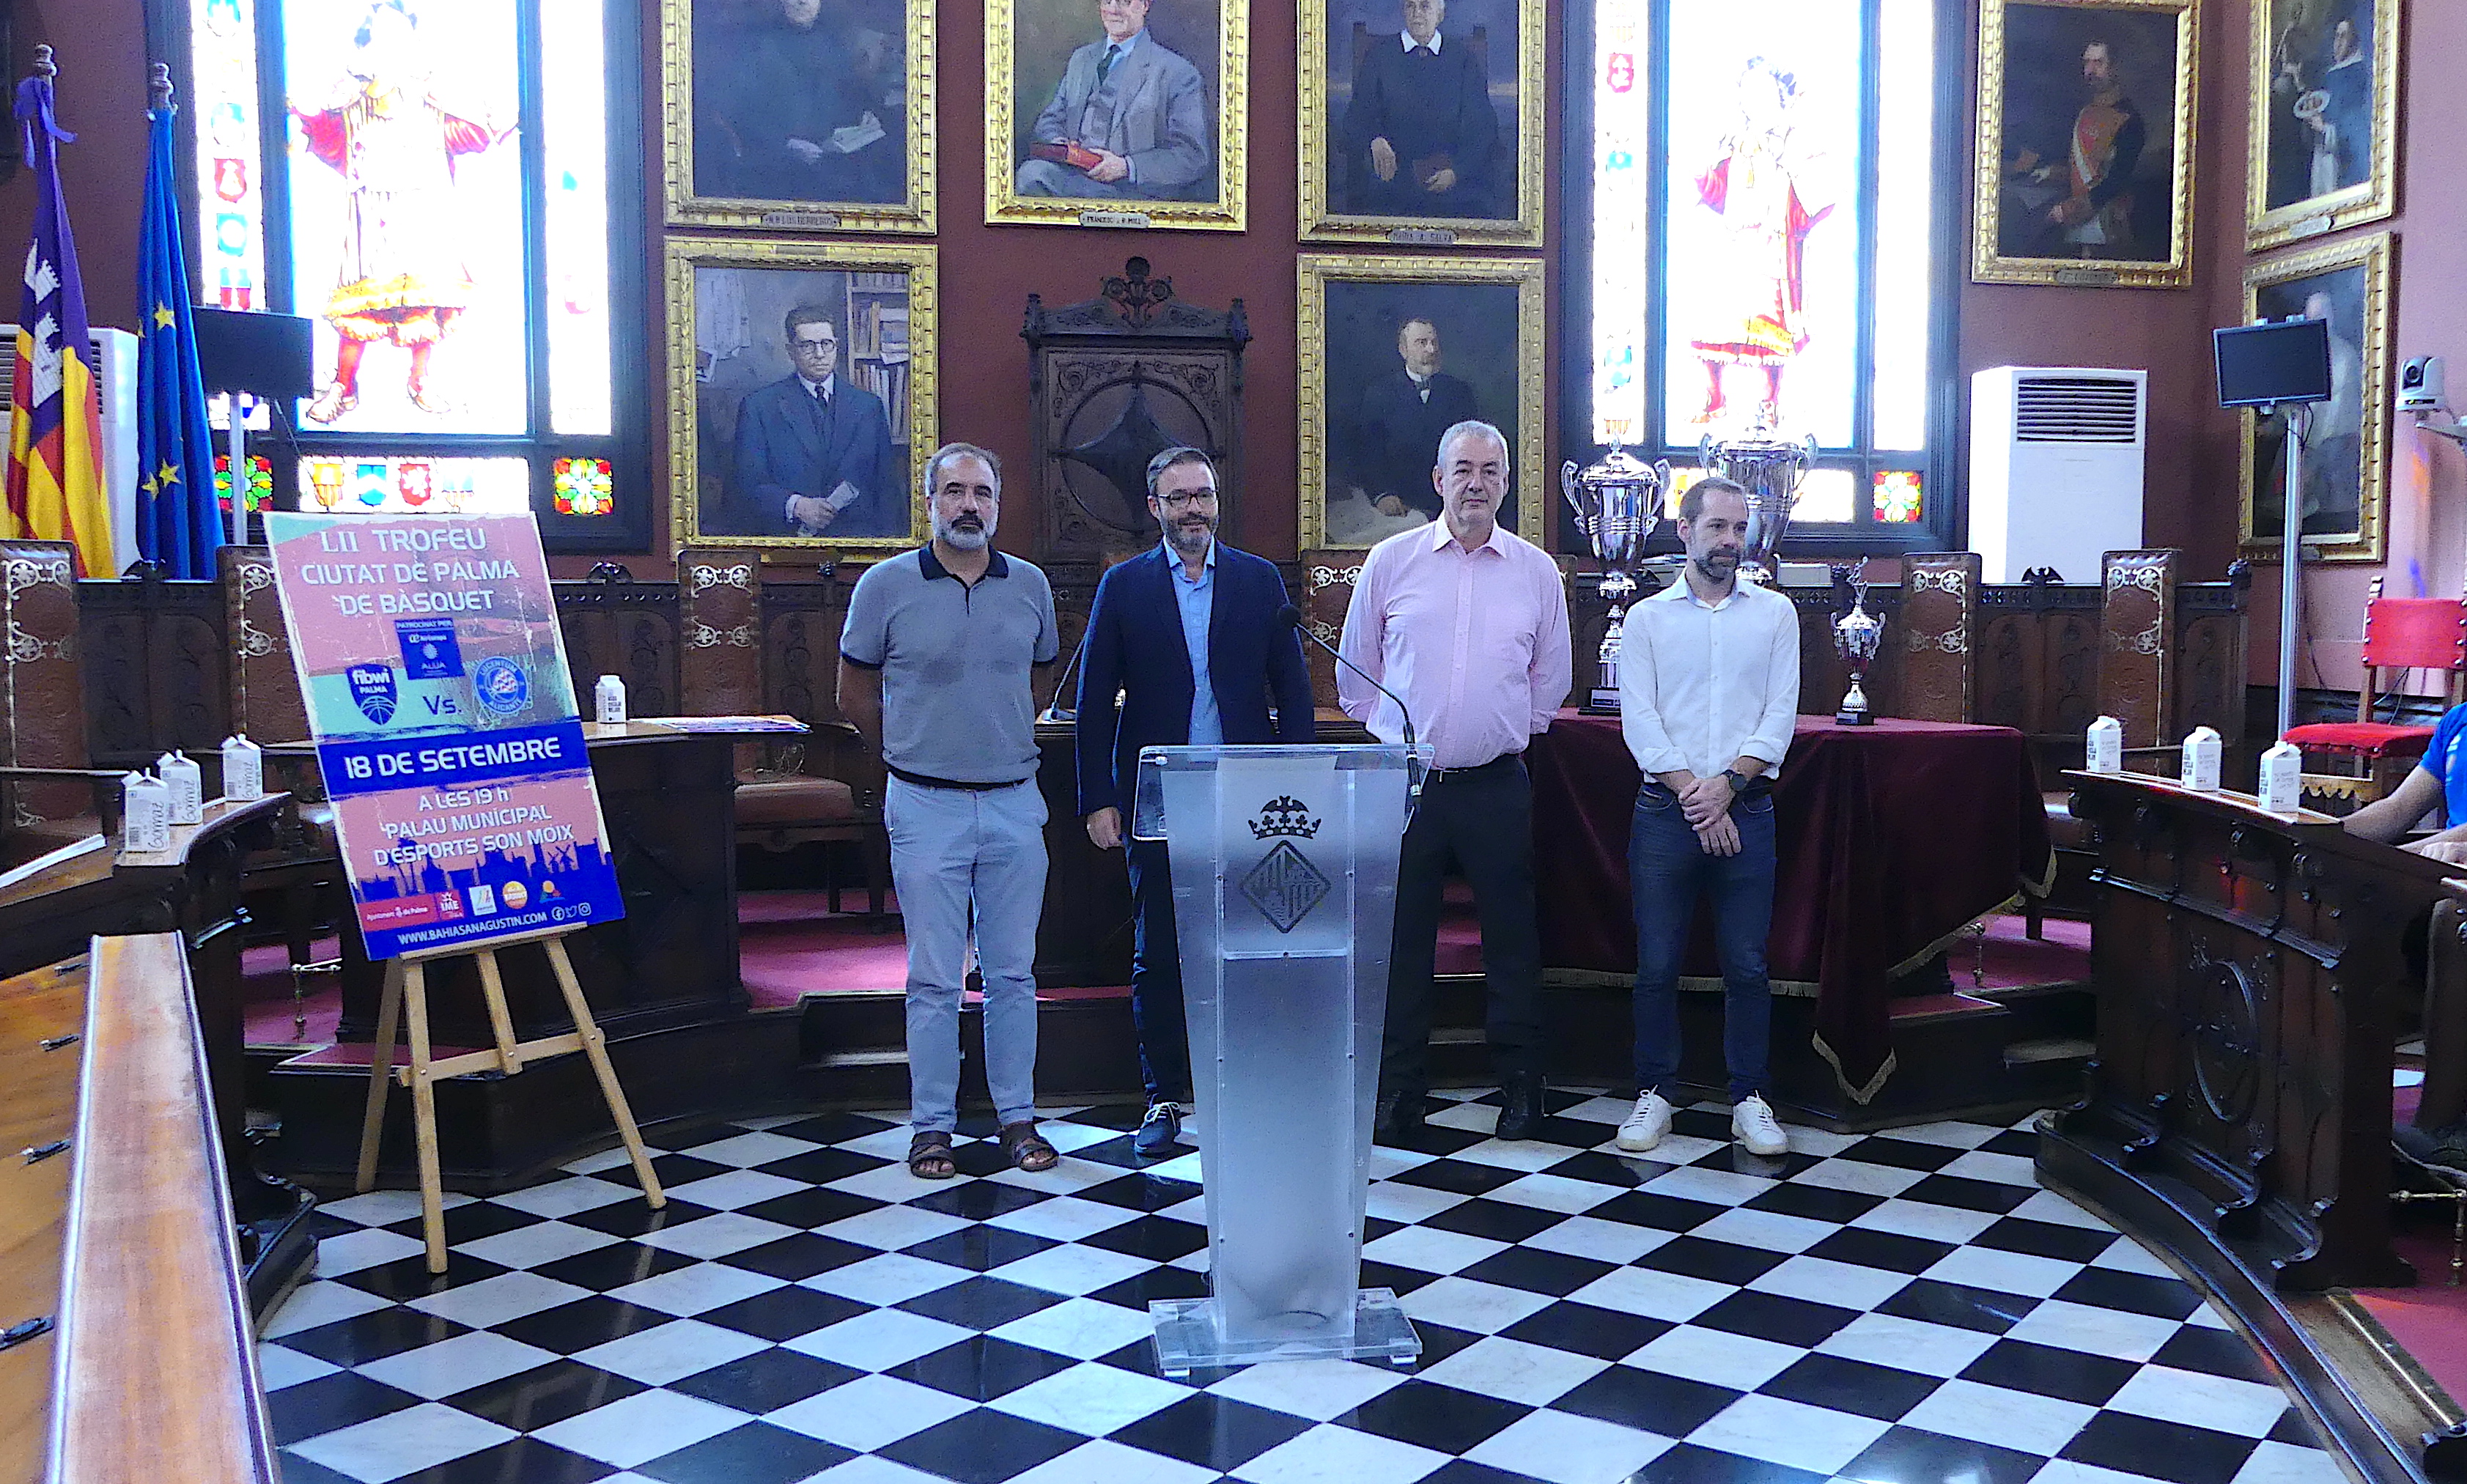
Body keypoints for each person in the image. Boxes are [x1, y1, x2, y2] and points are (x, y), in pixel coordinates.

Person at [1076, 448, 1316, 1156]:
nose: (1194, 510)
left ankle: (1245, 1085)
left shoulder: (1258, 580)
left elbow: (1293, 692)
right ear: (1155, 508)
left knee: (1250, 942)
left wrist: (1298, 784)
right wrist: (1098, 798)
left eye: (1204, 496)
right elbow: (1092, 705)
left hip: (1248, 798)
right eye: (1179, 498)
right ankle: (1164, 1096)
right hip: (1158, 798)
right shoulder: (1123, 587)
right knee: (1159, 951)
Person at [1338, 419, 1570, 1145]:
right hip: (1406, 787)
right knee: (1402, 944)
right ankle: (1399, 1093)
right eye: (1463, 470)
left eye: (1491, 471)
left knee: (1512, 941)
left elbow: (1550, 683)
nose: (1477, 483)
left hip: (1498, 785)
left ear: (1506, 482)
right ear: (1437, 481)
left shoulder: (1536, 572)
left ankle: (1522, 1091)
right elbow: (1356, 678)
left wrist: (1495, 731)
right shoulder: (1390, 561)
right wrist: (1404, 739)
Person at [838, 443, 1061, 1179]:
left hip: (1013, 803)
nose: (970, 505)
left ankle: (1017, 1120)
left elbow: (1038, 682)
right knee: (934, 977)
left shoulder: (1029, 585)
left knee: (1013, 974)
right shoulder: (884, 586)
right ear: (930, 501)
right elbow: (853, 694)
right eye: (955, 491)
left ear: (999, 504)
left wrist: (990, 739)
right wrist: (909, 749)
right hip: (924, 800)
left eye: (983, 493)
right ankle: (931, 1126)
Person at [1612, 476, 1799, 1158]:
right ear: (1683, 529)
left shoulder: (1776, 614)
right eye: (1717, 526)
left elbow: (1779, 716)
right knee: (1657, 962)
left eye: (1738, 527)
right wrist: (1697, 793)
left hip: (1747, 812)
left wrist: (1726, 787)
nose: (1729, 541)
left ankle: (1749, 1096)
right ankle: (1655, 1092)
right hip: (1666, 812)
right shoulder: (1647, 620)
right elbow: (1641, 719)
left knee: (1747, 964)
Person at [291, 0, 509, 424]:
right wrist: (311, 122)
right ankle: (344, 385)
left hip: (423, 211)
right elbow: (330, 142)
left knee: (423, 301)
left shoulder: (430, 101)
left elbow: (467, 136)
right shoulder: (352, 103)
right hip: (371, 215)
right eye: (379, 36)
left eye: (397, 36)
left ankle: (420, 380)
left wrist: (491, 120)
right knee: (361, 303)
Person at [1686, 57, 1830, 429]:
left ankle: (1770, 405)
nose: (1751, 98)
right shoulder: (1733, 141)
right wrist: (1702, 173)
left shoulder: (1795, 141)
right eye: (1745, 90)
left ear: (1779, 95)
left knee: (1769, 326)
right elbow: (1719, 193)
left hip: (1771, 249)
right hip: (1733, 246)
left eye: (1760, 90)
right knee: (1715, 322)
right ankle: (1715, 399)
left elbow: (1818, 198)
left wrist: (1793, 176)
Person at [696, 0, 902, 205]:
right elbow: (737, 111)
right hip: (773, 165)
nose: (802, 1)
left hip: (832, 163)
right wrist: (785, 145)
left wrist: (866, 119)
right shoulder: (755, 45)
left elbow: (850, 98)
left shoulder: (833, 44)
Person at [727, 306, 903, 538]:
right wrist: (796, 505)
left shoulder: (869, 407)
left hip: (858, 543)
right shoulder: (759, 407)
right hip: (788, 544)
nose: (819, 354)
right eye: (807, 345)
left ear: (836, 346)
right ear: (791, 351)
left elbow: (886, 488)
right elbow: (746, 485)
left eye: (826, 344)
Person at [1015, 0, 1211, 201]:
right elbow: (1049, 121)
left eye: (1124, 2)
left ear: (1145, 5)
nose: (1113, 10)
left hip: (1134, 194)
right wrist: (1062, 146)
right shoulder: (1081, 60)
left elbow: (1193, 157)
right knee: (1031, 175)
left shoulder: (1178, 73)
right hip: (1073, 179)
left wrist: (1127, 167)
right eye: (1107, 1)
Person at [1338, 0, 1501, 219]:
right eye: (1410, 6)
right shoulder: (1380, 56)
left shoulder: (1462, 58)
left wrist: (1457, 172)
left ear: (1440, 14)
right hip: (1393, 178)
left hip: (1450, 178)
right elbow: (1356, 117)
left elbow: (1484, 126)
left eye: (1425, 6)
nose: (1417, 14)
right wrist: (1374, 140)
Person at [1348, 317, 1479, 523]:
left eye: (1434, 342)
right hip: (1399, 507)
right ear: (1403, 350)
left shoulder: (1459, 392)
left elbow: (1474, 451)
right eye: (1422, 343)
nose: (1431, 349)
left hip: (1451, 504)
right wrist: (1382, 494)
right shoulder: (1380, 393)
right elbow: (1368, 453)